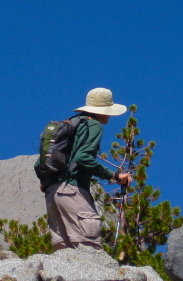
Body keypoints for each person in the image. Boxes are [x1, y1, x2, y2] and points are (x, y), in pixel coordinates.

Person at [38, 88, 133, 250]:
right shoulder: (93, 125)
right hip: (72, 191)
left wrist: (46, 181)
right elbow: (82, 157)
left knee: (63, 251)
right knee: (89, 248)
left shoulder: (72, 123)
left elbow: (40, 161)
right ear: (104, 111)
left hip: (52, 194)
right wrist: (115, 176)